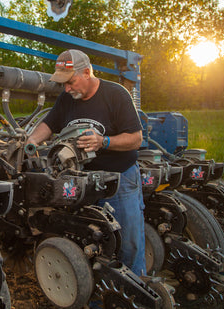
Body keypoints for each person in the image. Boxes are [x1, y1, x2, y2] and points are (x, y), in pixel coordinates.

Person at [27, 49, 146, 276]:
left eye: (71, 82)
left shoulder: (116, 94)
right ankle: (98, 294)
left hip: (119, 179)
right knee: (92, 239)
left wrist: (104, 141)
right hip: (83, 184)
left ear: (87, 72)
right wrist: (31, 140)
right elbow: (49, 124)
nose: (67, 89)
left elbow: (136, 139)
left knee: (128, 240)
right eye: (64, 84)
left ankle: (136, 288)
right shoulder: (67, 99)